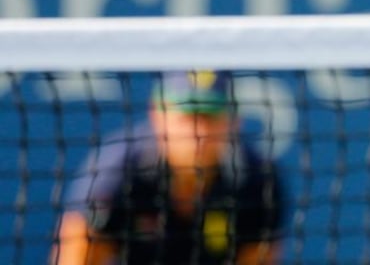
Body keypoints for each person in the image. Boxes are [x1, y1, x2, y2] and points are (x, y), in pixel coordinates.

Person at [52, 69, 288, 265]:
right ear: (158, 115)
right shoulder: (115, 172)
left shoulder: (258, 181)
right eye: (187, 115)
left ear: (234, 121)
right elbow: (76, 256)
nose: (199, 131)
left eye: (211, 116)